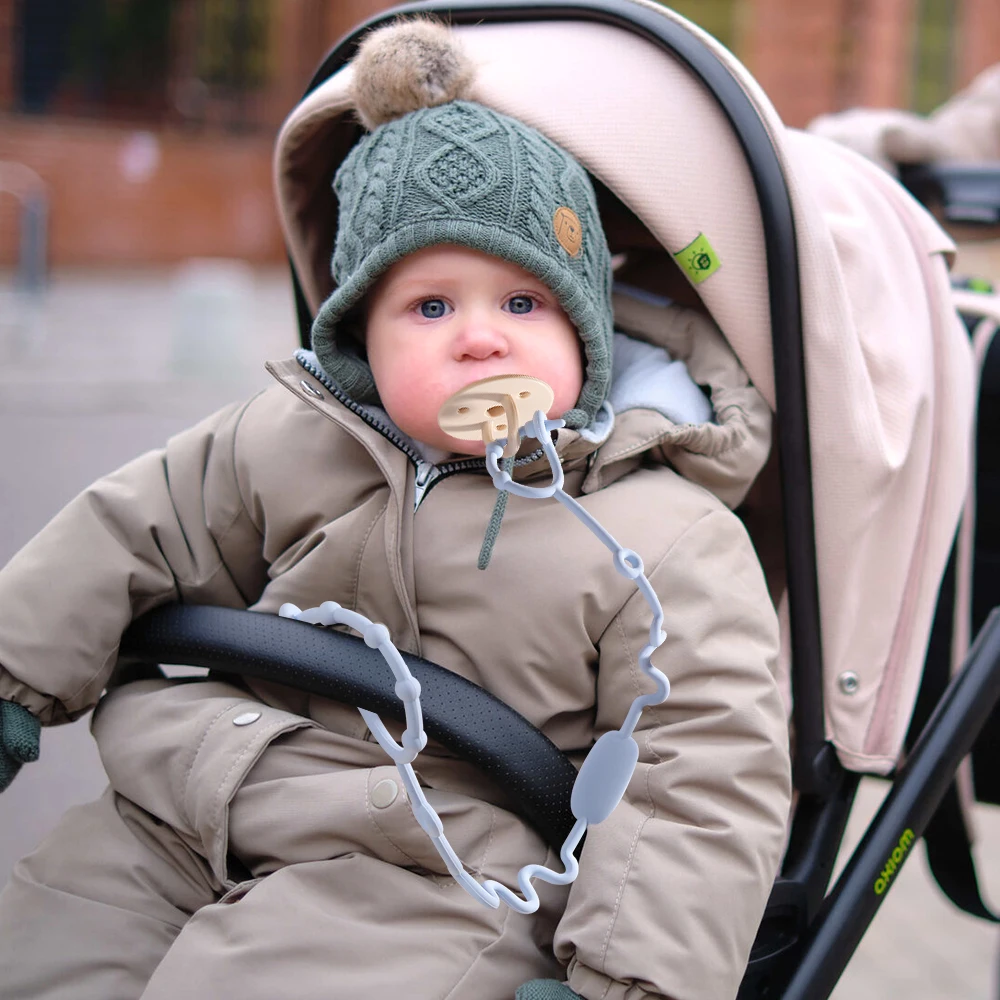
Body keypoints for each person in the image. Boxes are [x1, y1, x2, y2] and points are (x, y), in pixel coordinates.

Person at [0, 19, 791, 1000]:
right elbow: (128, 528)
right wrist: (15, 667)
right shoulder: (281, 441)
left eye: (522, 304)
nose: (478, 341)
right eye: (428, 308)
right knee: (43, 955)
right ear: (358, 338)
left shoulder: (663, 535)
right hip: (188, 801)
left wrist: (629, 980)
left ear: (585, 328)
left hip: (432, 869)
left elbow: (701, 775)